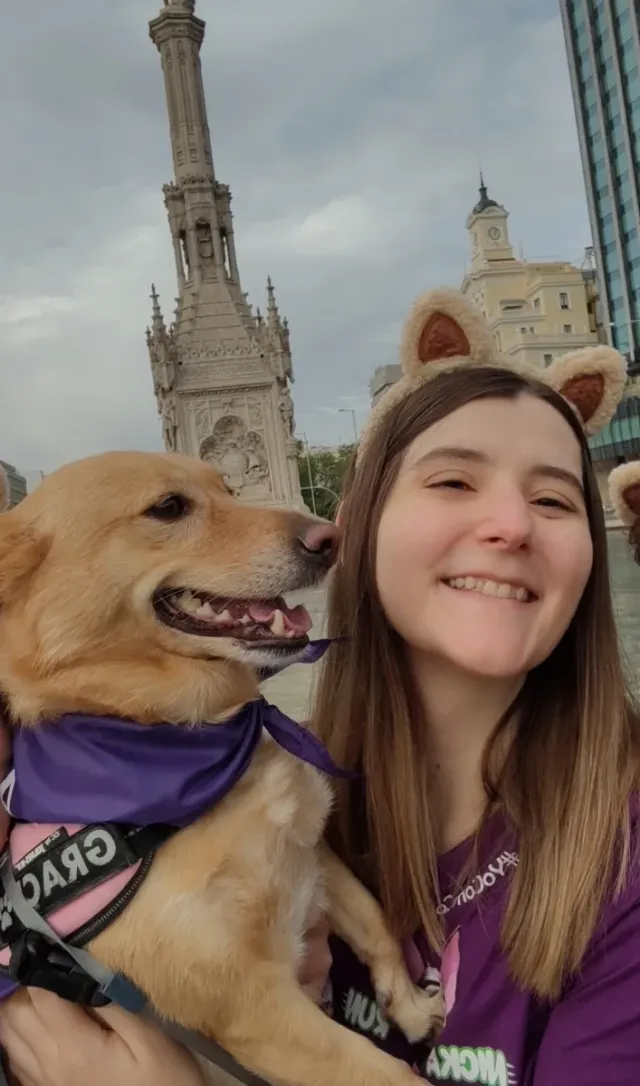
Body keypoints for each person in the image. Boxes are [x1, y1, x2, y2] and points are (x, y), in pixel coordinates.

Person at [1, 286, 639, 1085]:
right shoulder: (251, 770)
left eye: (553, 498)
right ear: (356, 522)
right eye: (453, 482)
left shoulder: (622, 868)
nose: (511, 525)